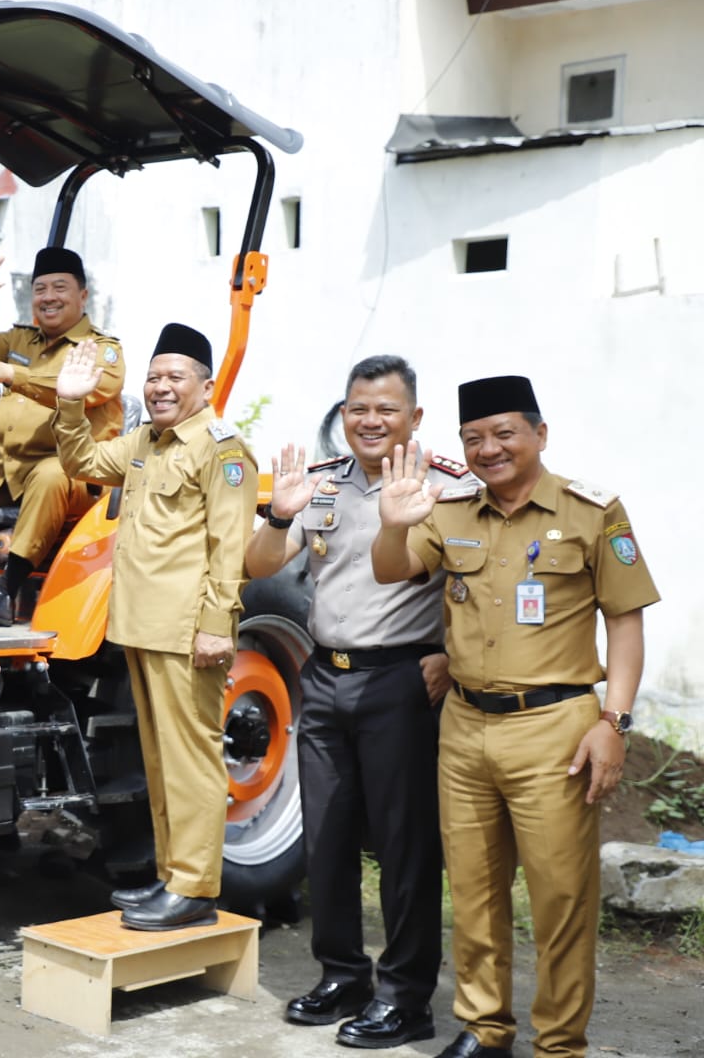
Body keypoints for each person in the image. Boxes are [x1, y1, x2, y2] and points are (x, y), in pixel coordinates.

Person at [371, 376, 659, 1058]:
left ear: (539, 434)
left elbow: (624, 623)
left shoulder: (593, 512)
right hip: (466, 727)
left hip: (555, 729)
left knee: (560, 900)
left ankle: (559, 1042)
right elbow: (391, 571)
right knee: (473, 890)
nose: (489, 449)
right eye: (474, 438)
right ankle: (485, 1028)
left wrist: (612, 721)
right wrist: (392, 521)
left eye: (504, 433)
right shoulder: (452, 510)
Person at [246, 356, 467, 1048]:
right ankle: (343, 974)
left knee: (405, 847)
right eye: (358, 409)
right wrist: (277, 516)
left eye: (386, 410)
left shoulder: (447, 488)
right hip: (324, 678)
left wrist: (451, 656)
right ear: (344, 415)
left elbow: (477, 580)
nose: (371, 422)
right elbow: (258, 566)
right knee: (328, 838)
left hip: (402, 682)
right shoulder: (321, 485)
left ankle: (406, 997)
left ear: (415, 418)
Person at [52, 324, 257, 930]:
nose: (161, 387)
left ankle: (195, 888)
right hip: (140, 625)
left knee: (191, 758)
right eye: (154, 377)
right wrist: (69, 400)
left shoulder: (222, 450)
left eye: (175, 378)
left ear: (206, 386)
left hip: (189, 630)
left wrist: (218, 626)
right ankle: (172, 876)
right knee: (159, 760)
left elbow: (230, 546)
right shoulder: (144, 439)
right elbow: (81, 460)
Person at [0, 244, 126, 626]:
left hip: (76, 479)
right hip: (0, 471)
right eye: (40, 288)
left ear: (83, 294)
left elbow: (85, 387)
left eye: (60, 287)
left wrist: (13, 375)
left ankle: (5, 592)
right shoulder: (19, 341)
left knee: (51, 472)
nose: (48, 297)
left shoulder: (102, 351)